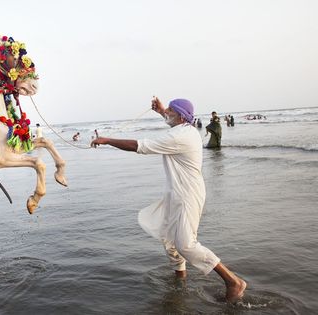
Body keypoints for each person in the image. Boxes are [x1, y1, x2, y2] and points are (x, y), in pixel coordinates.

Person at [90, 97, 246, 303]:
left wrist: (108, 140)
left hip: (188, 195)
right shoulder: (183, 128)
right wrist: (162, 110)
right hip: (175, 193)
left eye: (171, 111)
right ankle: (180, 279)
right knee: (169, 239)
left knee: (186, 245)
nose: (167, 113)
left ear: (180, 116)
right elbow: (170, 118)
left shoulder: (180, 136)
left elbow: (139, 146)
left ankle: (233, 281)